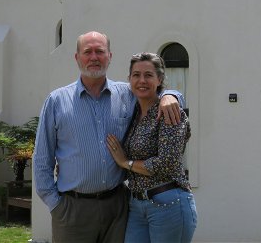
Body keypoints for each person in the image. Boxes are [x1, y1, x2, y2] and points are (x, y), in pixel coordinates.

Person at [33, 31, 184, 243]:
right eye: (88, 52)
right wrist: (56, 205)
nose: (94, 57)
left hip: (118, 208)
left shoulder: (127, 94)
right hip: (73, 210)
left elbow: (153, 90)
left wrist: (172, 95)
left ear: (110, 56)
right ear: (77, 58)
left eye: (100, 52)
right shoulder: (57, 101)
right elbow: (42, 158)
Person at [107, 52, 197, 243]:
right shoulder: (132, 112)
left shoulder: (169, 112)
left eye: (148, 75)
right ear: (129, 79)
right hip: (137, 205)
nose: (142, 80)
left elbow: (167, 164)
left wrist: (125, 162)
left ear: (160, 79)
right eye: (136, 75)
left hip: (169, 203)